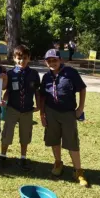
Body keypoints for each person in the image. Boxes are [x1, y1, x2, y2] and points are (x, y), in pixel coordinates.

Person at [39, 49, 88, 187]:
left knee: (72, 141)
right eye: (49, 61)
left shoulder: (71, 73)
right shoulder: (46, 77)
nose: (52, 63)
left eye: (54, 60)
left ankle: (78, 171)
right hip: (51, 112)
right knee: (54, 139)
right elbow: (42, 96)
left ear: (60, 60)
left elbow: (82, 89)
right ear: (45, 62)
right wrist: (42, 114)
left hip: (68, 113)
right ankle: (58, 163)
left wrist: (80, 108)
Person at [0, 45, 40, 171]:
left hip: (27, 110)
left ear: (29, 58)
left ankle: (23, 157)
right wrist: (4, 100)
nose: (21, 61)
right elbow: (7, 91)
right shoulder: (10, 73)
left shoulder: (34, 74)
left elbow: (37, 91)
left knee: (25, 134)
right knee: (7, 133)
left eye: (24, 58)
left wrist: (39, 105)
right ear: (14, 58)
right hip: (12, 108)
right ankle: (3, 155)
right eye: (19, 58)